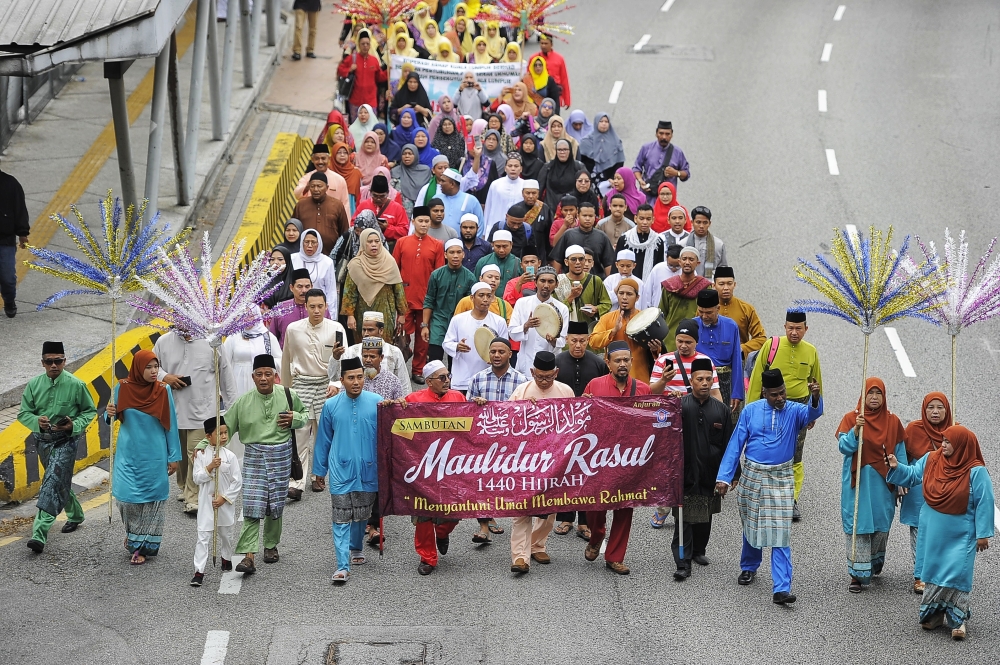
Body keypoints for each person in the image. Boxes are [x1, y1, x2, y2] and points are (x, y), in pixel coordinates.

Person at [715, 369, 823, 605]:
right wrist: (724, 477)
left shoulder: (794, 411)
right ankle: (749, 566)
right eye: (775, 395)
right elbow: (736, 444)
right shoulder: (751, 411)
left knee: (780, 532)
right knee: (752, 525)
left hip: (782, 477)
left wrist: (815, 397)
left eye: (782, 393)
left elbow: (814, 412)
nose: (780, 398)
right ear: (765, 393)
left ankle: (781, 588)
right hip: (753, 475)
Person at [886, 425, 993, 640]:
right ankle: (933, 616)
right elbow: (914, 475)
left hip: (961, 535)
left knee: (957, 576)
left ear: (962, 445)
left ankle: (958, 621)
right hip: (933, 530)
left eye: (948, 442)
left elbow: (985, 502)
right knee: (933, 573)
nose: (942, 445)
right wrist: (898, 466)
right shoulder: (931, 459)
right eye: (943, 440)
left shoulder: (976, 471)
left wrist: (983, 533)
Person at [225, 354, 308, 575]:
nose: (264, 378)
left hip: (281, 456)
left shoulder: (288, 394)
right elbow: (225, 429)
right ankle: (248, 556)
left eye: (268, 374)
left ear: (275, 376)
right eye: (259, 374)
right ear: (253, 377)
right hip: (254, 456)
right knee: (252, 504)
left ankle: (270, 545)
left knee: (275, 505)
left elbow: (305, 415)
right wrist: (206, 444)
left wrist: (294, 419)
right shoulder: (243, 402)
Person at [19, 341, 98, 553]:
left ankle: (39, 533)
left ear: (65, 361)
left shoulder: (76, 385)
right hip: (43, 440)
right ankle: (76, 515)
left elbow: (89, 412)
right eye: (49, 361)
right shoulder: (34, 385)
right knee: (59, 480)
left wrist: (74, 425)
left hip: (66, 440)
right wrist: (37, 422)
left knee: (52, 480)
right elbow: (23, 413)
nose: (54, 365)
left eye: (58, 361)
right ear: (43, 363)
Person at [105, 350, 181, 564]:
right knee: (125, 500)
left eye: (156, 366)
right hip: (128, 455)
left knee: (152, 501)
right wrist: (108, 413)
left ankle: (141, 548)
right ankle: (133, 535)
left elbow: (171, 425)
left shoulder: (163, 390)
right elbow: (110, 418)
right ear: (138, 368)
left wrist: (173, 456)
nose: (154, 371)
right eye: (149, 367)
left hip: (155, 456)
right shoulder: (122, 387)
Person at [581, 342, 651, 575]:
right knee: (594, 506)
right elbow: (580, 418)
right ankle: (596, 536)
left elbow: (651, 422)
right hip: (599, 458)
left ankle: (615, 557)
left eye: (626, 360)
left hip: (629, 459)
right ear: (607, 362)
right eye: (617, 360)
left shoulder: (642, 389)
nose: (622, 364)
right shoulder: (595, 385)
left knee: (624, 507)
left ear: (631, 362)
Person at [746, 310, 823, 520]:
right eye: (790, 327)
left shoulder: (811, 352)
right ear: (784, 327)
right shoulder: (771, 346)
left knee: (795, 455)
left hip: (798, 410)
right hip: (770, 406)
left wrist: (813, 413)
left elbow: (817, 384)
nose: (794, 332)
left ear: (806, 329)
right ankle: (764, 495)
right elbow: (755, 381)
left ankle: (792, 500)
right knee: (768, 450)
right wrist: (752, 410)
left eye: (798, 328)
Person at [312, 357, 382, 584]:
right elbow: (323, 440)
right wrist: (319, 471)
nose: (356, 382)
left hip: (369, 469)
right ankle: (342, 566)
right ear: (341, 380)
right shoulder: (331, 406)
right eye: (350, 378)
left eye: (360, 377)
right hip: (340, 470)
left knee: (362, 513)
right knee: (341, 517)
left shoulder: (377, 402)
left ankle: (356, 547)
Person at [153, 329, 237, 514]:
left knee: (196, 452)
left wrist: (232, 409)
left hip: (203, 411)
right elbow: (152, 366)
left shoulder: (212, 341)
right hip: (173, 409)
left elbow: (225, 374)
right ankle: (185, 487)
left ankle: (193, 497)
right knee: (180, 454)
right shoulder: (163, 341)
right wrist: (164, 376)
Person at [835, 378, 907, 592]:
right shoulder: (852, 418)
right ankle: (856, 575)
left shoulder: (893, 421)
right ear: (863, 396)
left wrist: (902, 479)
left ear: (884, 397)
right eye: (870, 393)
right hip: (858, 485)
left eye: (878, 394)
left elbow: (900, 452)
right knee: (858, 525)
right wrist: (856, 431)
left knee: (880, 527)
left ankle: (873, 563)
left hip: (883, 485)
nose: (874, 398)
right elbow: (844, 447)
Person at [508, 351, 575, 574]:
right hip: (525, 459)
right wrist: (525, 410)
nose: (544, 381)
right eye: (539, 377)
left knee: (549, 511)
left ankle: (537, 545)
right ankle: (520, 556)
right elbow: (506, 422)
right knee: (522, 509)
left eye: (549, 377)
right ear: (532, 372)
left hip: (554, 460)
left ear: (556, 372)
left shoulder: (565, 391)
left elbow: (574, 424)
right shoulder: (522, 391)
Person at [669, 357, 734, 580]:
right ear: (692, 380)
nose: (704, 383)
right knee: (683, 519)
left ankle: (698, 551)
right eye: (700, 379)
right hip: (684, 473)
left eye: (708, 379)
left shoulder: (722, 411)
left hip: (710, 472)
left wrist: (733, 474)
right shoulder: (679, 407)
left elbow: (729, 445)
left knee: (705, 514)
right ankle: (683, 562)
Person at [281, 288, 347, 499]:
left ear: (326, 306)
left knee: (323, 433)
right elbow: (286, 359)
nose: (316, 311)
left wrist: (337, 383)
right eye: (312, 307)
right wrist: (285, 389)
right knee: (299, 432)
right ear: (306, 307)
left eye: (320, 306)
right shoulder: (293, 329)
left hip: (326, 385)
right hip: (301, 384)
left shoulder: (336, 328)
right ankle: (296, 481)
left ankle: (318, 475)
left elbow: (343, 360)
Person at [901, 392, 952, 593]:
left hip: (945, 491)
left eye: (940, 407)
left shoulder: (954, 430)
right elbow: (902, 456)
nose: (935, 412)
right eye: (931, 407)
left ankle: (940, 572)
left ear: (947, 409)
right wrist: (900, 483)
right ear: (924, 409)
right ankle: (920, 575)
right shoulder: (913, 429)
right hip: (918, 490)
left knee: (942, 533)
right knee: (919, 533)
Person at [190, 416, 242, 585]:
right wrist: (210, 467)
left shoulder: (230, 456)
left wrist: (224, 498)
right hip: (206, 504)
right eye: (219, 433)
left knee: (226, 534)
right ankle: (199, 571)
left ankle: (226, 557)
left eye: (226, 432)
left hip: (224, 504)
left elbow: (237, 481)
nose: (224, 436)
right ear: (208, 436)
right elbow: (197, 478)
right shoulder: (201, 455)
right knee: (203, 536)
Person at [393, 206, 444, 377]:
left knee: (423, 340)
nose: (423, 224)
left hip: (426, 301)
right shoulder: (402, 242)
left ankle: (417, 371)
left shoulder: (437, 245)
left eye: (426, 221)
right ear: (413, 222)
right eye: (420, 221)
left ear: (430, 223)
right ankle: (398, 370)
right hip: (405, 299)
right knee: (402, 336)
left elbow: (438, 274)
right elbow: (394, 270)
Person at [342, 228, 408, 345]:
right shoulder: (355, 265)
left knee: (384, 346)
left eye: (377, 241)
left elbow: (399, 290)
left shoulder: (389, 262)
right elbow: (349, 293)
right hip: (362, 313)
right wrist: (350, 316)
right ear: (363, 243)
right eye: (370, 241)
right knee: (364, 347)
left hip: (386, 313)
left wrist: (402, 314)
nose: (374, 245)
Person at [443, 281, 510, 392]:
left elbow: (505, 348)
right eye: (481, 295)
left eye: (489, 296)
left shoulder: (499, 321)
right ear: (472, 298)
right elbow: (446, 343)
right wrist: (457, 346)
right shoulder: (458, 319)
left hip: (489, 378)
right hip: (463, 377)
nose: (485, 299)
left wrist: (497, 357)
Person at [421, 238, 476, 365]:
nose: (455, 256)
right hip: (438, 321)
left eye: (458, 252)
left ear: (463, 254)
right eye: (451, 252)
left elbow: (471, 305)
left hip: (459, 323)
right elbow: (429, 300)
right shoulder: (436, 275)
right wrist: (425, 325)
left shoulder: (469, 277)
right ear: (445, 254)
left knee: (456, 360)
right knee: (435, 359)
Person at [589, 278, 654, 382]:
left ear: (637, 297)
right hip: (614, 378)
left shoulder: (644, 318)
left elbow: (656, 349)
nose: (624, 297)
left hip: (639, 377)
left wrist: (655, 348)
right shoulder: (607, 318)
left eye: (629, 294)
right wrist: (613, 331)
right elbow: (593, 341)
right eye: (621, 293)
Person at [509, 267, 569, 375]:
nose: (546, 285)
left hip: (549, 364)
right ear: (535, 282)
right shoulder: (522, 303)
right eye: (542, 281)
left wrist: (553, 340)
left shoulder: (562, 308)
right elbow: (512, 333)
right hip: (525, 363)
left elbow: (563, 340)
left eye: (550, 281)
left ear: (556, 284)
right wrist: (526, 326)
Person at [338, 312, 411, 395]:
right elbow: (339, 379)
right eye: (364, 330)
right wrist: (335, 358)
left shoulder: (394, 352)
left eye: (370, 330)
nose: (366, 334)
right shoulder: (351, 351)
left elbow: (404, 385)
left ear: (381, 331)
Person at [694, 289, 744, 410]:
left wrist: (737, 393)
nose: (704, 316)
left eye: (709, 312)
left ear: (718, 308)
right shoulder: (692, 325)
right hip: (699, 379)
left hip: (725, 380)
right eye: (701, 312)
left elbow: (737, 360)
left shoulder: (731, 326)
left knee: (723, 419)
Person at [657, 246, 712, 352]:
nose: (687, 262)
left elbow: (709, 315)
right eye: (684, 259)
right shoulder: (669, 286)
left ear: (698, 263)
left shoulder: (704, 286)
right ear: (679, 261)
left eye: (691, 259)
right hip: (671, 339)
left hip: (697, 338)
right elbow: (662, 313)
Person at [222, 309, 282, 396]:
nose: (247, 319)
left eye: (250, 315)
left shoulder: (268, 337)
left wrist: (266, 364)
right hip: (238, 381)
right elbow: (225, 363)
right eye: (243, 315)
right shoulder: (233, 336)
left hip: (262, 379)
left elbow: (280, 359)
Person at [553, 245, 611, 334]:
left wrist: (596, 309)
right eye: (573, 259)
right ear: (566, 262)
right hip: (566, 334)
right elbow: (554, 310)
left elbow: (607, 303)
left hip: (589, 332)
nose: (578, 262)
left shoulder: (595, 280)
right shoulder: (559, 282)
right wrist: (571, 296)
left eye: (581, 259)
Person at [714, 266, 767, 358]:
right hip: (712, 360)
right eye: (721, 284)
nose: (726, 288)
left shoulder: (746, 308)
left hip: (739, 360)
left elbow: (761, 339)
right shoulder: (706, 310)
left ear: (734, 285)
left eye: (729, 284)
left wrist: (741, 348)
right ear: (714, 286)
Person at [294, 170, 350, 253]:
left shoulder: (337, 205)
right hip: (306, 254)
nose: (316, 189)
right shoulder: (301, 205)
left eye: (319, 186)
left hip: (331, 255)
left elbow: (344, 231)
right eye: (312, 186)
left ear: (327, 188)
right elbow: (294, 229)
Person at [632, 121, 690, 202]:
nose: (664, 137)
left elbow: (686, 173)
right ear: (656, 133)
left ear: (672, 135)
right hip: (647, 196)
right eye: (661, 133)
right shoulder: (646, 148)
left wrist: (676, 173)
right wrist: (640, 181)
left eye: (667, 134)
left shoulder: (678, 152)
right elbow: (636, 168)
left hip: (667, 199)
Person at [337, 30, 388, 122]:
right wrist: (349, 69)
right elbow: (340, 70)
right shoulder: (352, 58)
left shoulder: (374, 60)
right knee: (355, 127)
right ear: (358, 45)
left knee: (371, 128)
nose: (365, 46)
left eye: (367, 44)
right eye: (363, 44)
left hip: (371, 101)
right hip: (355, 101)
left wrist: (388, 71)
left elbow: (379, 77)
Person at [551, 203, 616, 276]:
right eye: (584, 216)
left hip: (595, 280)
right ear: (578, 216)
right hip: (570, 281)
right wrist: (554, 279)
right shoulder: (568, 235)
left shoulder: (602, 237)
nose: (587, 219)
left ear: (595, 217)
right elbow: (557, 259)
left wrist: (609, 283)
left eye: (590, 216)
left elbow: (608, 263)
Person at [270, 269, 330, 345]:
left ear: (312, 286)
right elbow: (272, 337)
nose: (304, 290)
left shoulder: (320, 308)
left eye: (307, 286)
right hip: (287, 355)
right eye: (300, 287)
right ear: (291, 288)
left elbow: (329, 333)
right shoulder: (281, 309)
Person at [0, 162, 29, 318]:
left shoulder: (10, 184)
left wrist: (23, 233)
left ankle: (9, 300)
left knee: (7, 277)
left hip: (4, 240)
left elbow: (20, 209)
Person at [291, 229, 339, 315]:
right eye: (306, 242)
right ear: (302, 242)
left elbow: (331, 291)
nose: (310, 245)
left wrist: (331, 315)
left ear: (319, 243)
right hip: (296, 308)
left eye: (313, 242)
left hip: (318, 310)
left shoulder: (327, 262)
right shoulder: (292, 259)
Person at [353, 175, 410, 242]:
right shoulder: (363, 205)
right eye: (375, 196)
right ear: (370, 192)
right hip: (366, 245)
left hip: (389, 246)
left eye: (382, 196)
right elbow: (353, 225)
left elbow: (404, 231)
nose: (378, 199)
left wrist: (387, 228)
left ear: (388, 193)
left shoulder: (398, 208)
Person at [617, 204, 663, 282]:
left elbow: (659, 268)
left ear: (653, 220)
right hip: (626, 284)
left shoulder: (657, 242)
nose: (645, 222)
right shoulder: (625, 239)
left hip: (649, 285)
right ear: (635, 218)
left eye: (648, 219)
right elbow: (617, 264)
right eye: (641, 218)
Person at [294, 144, 350, 209]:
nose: (320, 162)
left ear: (329, 159)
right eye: (317, 159)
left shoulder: (339, 179)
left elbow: (345, 204)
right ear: (312, 160)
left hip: (333, 217)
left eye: (323, 158)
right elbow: (297, 195)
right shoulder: (306, 178)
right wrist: (307, 187)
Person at [483, 155, 525, 237]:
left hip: (517, 229)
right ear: (505, 168)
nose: (513, 169)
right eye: (510, 166)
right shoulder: (496, 184)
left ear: (521, 169)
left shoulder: (525, 185)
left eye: (516, 166)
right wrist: (484, 232)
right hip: (496, 227)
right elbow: (488, 208)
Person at [538, 140, 586, 212]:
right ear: (556, 151)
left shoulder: (578, 167)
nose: (562, 152)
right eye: (559, 150)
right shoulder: (548, 167)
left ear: (570, 150)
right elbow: (539, 188)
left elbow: (586, 187)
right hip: (551, 209)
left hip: (573, 208)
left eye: (565, 149)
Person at [433, 170, 485, 234]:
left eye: (443, 181)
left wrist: (473, 243)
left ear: (452, 184)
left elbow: (480, 225)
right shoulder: (436, 198)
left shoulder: (471, 200)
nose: (440, 183)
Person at [579, 113, 625, 184]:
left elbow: (619, 163)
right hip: (587, 181)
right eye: (601, 121)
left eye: (606, 122)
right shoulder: (586, 141)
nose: (604, 124)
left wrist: (613, 178)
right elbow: (580, 161)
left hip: (609, 181)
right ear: (596, 122)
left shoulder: (616, 142)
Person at [475, 229, 523, 295]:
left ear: (511, 245)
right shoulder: (483, 262)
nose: (501, 250)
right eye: (498, 246)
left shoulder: (517, 263)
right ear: (493, 244)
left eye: (505, 246)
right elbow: (476, 285)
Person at [685, 206, 727, 279]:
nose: (701, 226)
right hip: (688, 286)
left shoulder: (718, 244)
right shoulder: (683, 244)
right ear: (692, 222)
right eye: (698, 222)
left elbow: (723, 269)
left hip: (711, 286)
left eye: (705, 223)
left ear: (709, 223)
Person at [640, 243, 682, 310]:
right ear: (666, 258)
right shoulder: (658, 269)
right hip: (657, 309)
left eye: (677, 266)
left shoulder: (687, 271)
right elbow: (647, 291)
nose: (674, 268)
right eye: (670, 265)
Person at [392, 144, 433, 213]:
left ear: (416, 155)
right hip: (401, 211)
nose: (407, 156)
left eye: (410, 154)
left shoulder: (425, 171)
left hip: (421, 209)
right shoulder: (395, 171)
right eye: (404, 154)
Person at [538, 33, 571, 107]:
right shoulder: (534, 58)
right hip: (538, 94)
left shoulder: (559, 58)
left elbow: (564, 78)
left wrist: (567, 100)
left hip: (555, 94)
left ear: (551, 44)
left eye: (546, 43)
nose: (543, 46)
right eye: (541, 43)